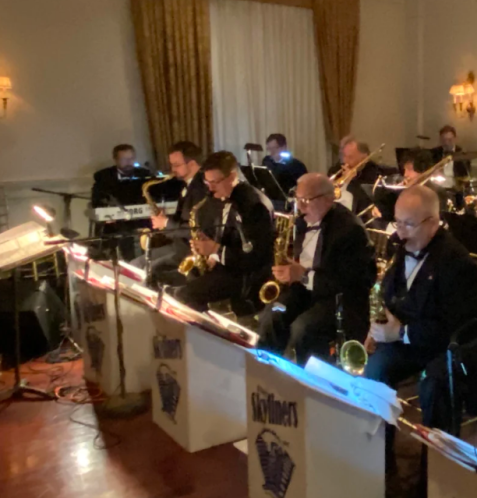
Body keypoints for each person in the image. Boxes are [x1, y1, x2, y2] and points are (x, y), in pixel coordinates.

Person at [364, 185, 477, 468]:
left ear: (433, 222)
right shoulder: (402, 245)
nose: (400, 232)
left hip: (448, 347)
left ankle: (433, 475)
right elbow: (391, 295)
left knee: (434, 386)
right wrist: (377, 328)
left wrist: (401, 333)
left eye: (408, 224)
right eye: (397, 222)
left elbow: (454, 328)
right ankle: (378, 462)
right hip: (410, 339)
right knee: (375, 369)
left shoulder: (457, 263)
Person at [256, 174, 376, 363]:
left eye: (306, 200)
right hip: (304, 292)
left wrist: (303, 275)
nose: (300, 207)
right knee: (273, 313)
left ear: (328, 198)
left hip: (338, 300)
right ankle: (266, 368)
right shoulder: (303, 220)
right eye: (298, 199)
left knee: (303, 328)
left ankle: (308, 377)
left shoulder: (350, 230)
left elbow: (347, 282)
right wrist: (288, 266)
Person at [174, 151, 274, 312]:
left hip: (246, 275)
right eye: (207, 182)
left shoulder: (253, 205)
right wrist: (209, 251)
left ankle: (207, 326)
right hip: (228, 264)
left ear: (232, 176)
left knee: (184, 294)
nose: (210, 188)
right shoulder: (224, 196)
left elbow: (255, 257)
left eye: (215, 182)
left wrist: (215, 250)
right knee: (181, 280)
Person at [133, 141, 210, 285]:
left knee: (146, 271)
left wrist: (166, 223)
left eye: (176, 165)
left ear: (192, 164)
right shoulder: (189, 185)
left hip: (188, 251)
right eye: (172, 165)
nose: (172, 169)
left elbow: (197, 229)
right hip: (178, 245)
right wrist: (165, 221)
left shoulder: (201, 189)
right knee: (136, 265)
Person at [91, 144, 153, 261]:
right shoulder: (103, 176)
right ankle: (126, 261)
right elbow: (97, 201)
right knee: (121, 232)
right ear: (115, 159)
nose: (129, 162)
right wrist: (106, 213)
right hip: (115, 221)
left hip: (140, 218)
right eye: (124, 159)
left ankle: (145, 260)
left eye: (131, 158)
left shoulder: (144, 174)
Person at [329, 139, 387, 216]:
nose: (345, 161)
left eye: (350, 157)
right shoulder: (336, 170)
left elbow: (365, 202)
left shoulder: (374, 173)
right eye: (344, 156)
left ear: (364, 158)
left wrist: (351, 181)